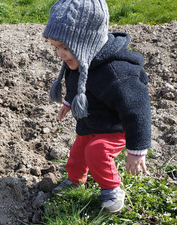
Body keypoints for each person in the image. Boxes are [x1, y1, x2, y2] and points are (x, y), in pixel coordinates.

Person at [44, 0, 151, 212]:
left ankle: (112, 190)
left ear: (87, 42)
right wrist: (68, 101)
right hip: (92, 122)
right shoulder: (81, 59)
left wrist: (137, 150)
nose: (60, 54)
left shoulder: (117, 72)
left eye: (65, 47)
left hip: (115, 126)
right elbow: (76, 82)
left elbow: (138, 109)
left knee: (97, 151)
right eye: (55, 47)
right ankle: (75, 181)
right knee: (77, 153)